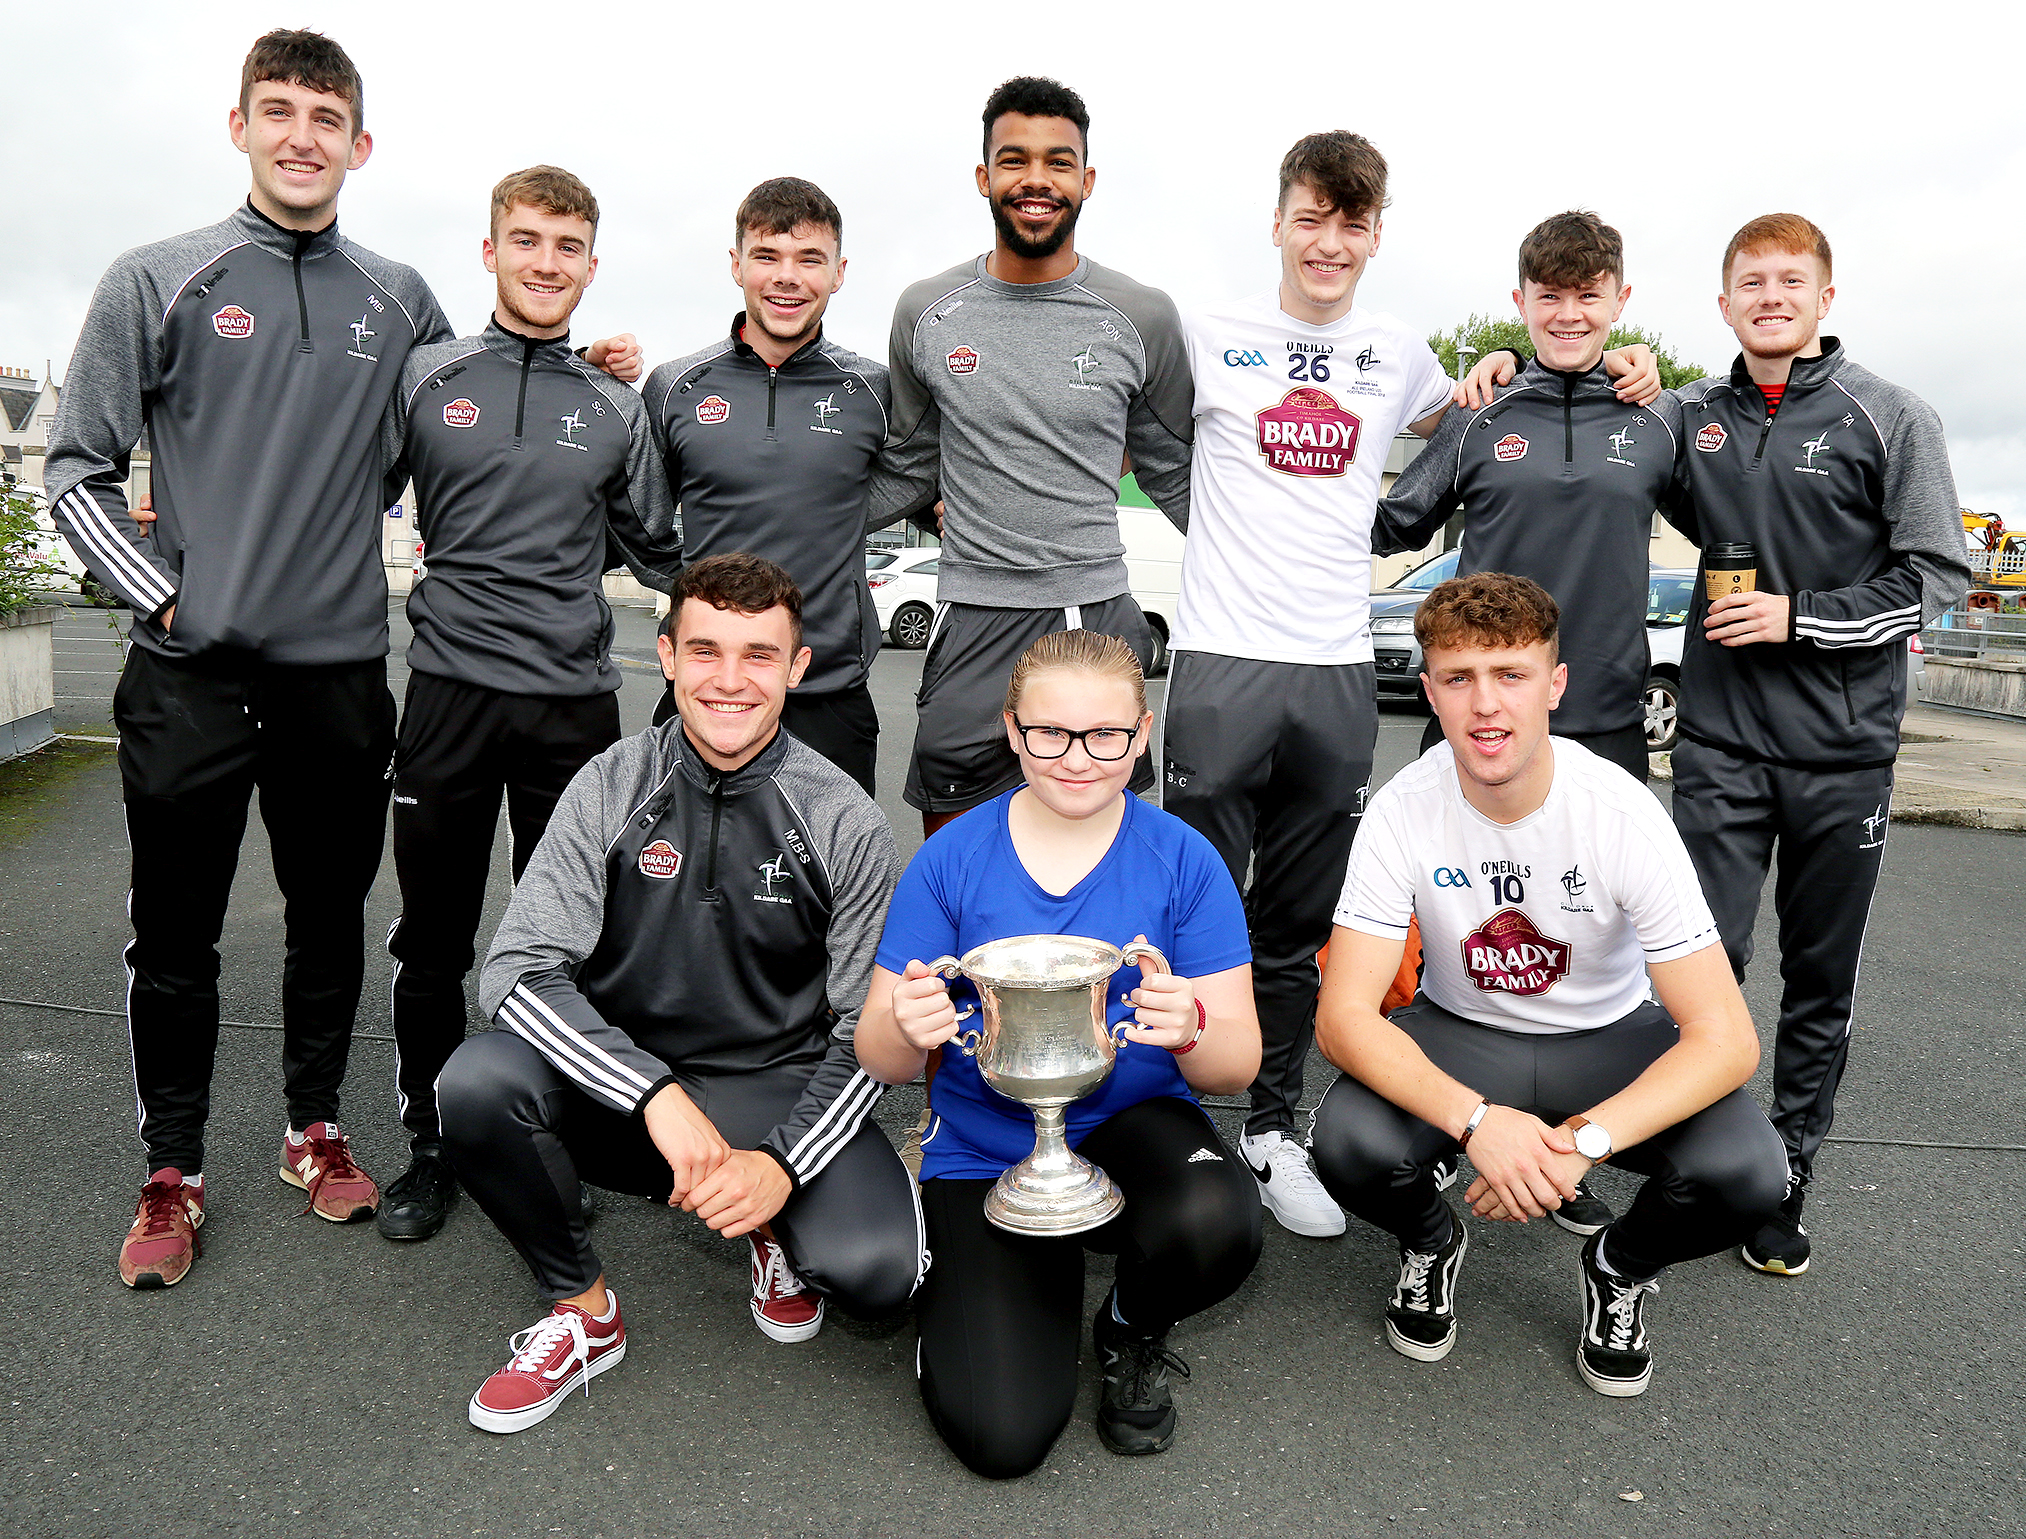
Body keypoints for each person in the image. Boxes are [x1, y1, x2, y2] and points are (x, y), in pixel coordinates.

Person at [1163, 139, 1663, 1239]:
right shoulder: (1209, 334)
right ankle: (1161, 1121)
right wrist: (1206, 531)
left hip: (1337, 667)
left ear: (1377, 232)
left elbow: (1498, 416)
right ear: (1280, 221)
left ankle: (1270, 1126)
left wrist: (1552, 366)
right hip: (1219, 662)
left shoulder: (1399, 352)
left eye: (1353, 225)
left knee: (1303, 924)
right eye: (1311, 220)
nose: (1330, 244)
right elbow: (1144, 442)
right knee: (1185, 908)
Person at [44, 29, 453, 1288]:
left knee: (330, 916)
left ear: (360, 145)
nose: (301, 137)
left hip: (336, 676)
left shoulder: (402, 297)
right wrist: (168, 598)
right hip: (188, 676)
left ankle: (313, 1129)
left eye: (325, 118)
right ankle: (171, 1169)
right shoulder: (156, 276)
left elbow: (442, 435)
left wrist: (594, 372)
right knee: (176, 937)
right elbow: (74, 472)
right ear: (239, 126)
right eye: (277, 112)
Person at [440, 554, 923, 1434]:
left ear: (798, 667)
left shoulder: (845, 816)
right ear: (665, 655)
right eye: (704, 651)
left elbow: (868, 1028)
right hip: (625, 1093)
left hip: (772, 1084)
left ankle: (771, 1224)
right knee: (475, 1084)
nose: (729, 680)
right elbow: (512, 971)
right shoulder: (610, 783)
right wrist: (651, 1091)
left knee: (879, 1270)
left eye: (758, 655)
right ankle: (584, 1311)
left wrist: (780, 1163)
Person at [1309, 572, 1788, 1397]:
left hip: (1606, 1039)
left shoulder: (1622, 810)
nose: (1485, 705)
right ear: (1429, 689)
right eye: (1459, 678)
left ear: (1555, 685)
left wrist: (1579, 1144)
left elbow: (1727, 1037)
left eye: (1511, 675)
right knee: (1348, 1144)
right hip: (1461, 1031)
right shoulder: (1402, 807)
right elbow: (1344, 1017)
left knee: (1749, 1173)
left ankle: (1618, 1265)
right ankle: (1431, 1239)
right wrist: (1477, 1121)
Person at [856, 629, 1263, 1476]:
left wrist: (1189, 1024)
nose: (1078, 757)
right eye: (1050, 733)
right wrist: (909, 1020)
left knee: (1215, 1220)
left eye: (1105, 734)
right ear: (1012, 729)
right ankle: (977, 1289)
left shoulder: (1185, 860)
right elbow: (881, 1055)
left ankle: (1129, 1325)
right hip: (983, 1148)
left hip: (1133, 1123)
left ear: (1142, 733)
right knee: (1000, 1439)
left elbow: (1236, 1067)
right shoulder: (950, 857)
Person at [374, 165, 680, 1243]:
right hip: (449, 698)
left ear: (591, 267)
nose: (545, 263)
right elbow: (337, 496)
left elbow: (663, 547)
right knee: (433, 938)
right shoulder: (424, 375)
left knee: (568, 942)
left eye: (567, 248)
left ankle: (553, 1134)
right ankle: (430, 1140)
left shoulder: (613, 404)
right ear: (492, 251)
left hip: (571, 712)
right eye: (527, 241)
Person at [1660, 215, 1970, 1274]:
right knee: (1699, 964)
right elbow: (1600, 453)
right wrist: (1549, 367)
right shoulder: (1688, 414)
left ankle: (1788, 1170)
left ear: (1825, 297)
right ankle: (1691, 1153)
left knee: (1816, 977)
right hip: (1715, 746)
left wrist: (1801, 618)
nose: (1770, 295)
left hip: (1842, 757)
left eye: (1791, 280)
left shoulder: (1892, 416)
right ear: (1723, 303)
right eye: (1750, 281)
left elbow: (1937, 574)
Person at [867, 76, 1193, 838]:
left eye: (1058, 161)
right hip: (970, 615)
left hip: (1092, 615)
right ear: (985, 177)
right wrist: (785, 517)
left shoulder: (1142, 315)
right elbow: (911, 465)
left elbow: (1175, 475)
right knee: (957, 856)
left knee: (1095, 859)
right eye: (1014, 160)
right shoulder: (926, 311)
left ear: (1086, 179)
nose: (1036, 179)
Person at [1377, 211, 1675, 785]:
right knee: (1454, 875)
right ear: (1520, 301)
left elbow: (1729, 521)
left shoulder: (1659, 417)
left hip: (1607, 721)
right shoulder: (1478, 409)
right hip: (1478, 717)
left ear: (1621, 300)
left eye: (1589, 295)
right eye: (1549, 296)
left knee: (1599, 880)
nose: (1569, 314)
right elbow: (1390, 524)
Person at [643, 178, 890, 793]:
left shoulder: (875, 391)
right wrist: (692, 580)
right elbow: (639, 518)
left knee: (829, 885)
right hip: (705, 692)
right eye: (767, 256)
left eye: (810, 259)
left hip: (828, 690)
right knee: (675, 878)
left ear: (838, 273)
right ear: (736, 265)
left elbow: (915, 482)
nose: (787, 276)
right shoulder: (675, 386)